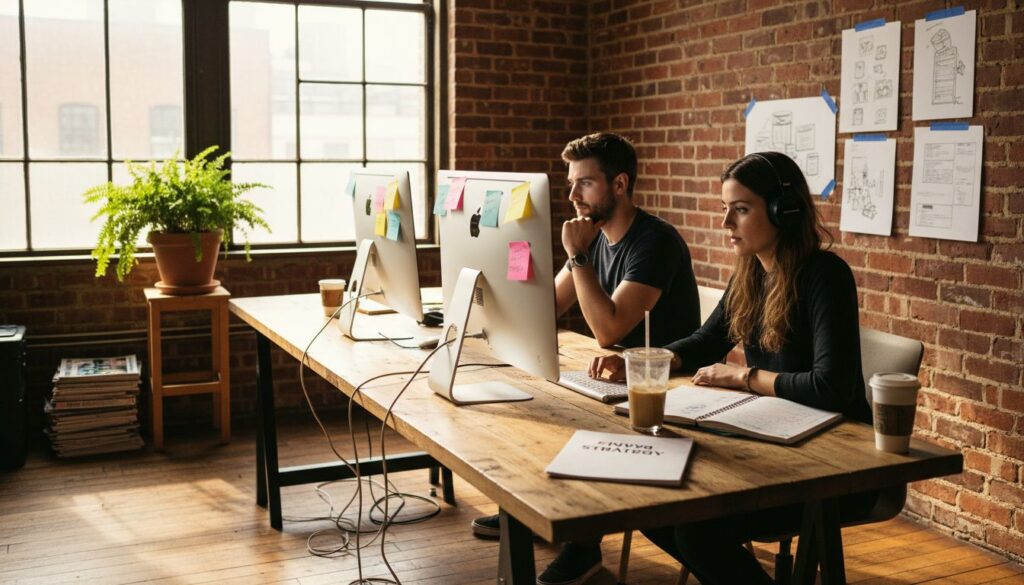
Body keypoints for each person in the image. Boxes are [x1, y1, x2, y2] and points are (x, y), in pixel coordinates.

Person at [588, 151, 873, 585]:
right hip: (777, 442)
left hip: (837, 465)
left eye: (740, 210)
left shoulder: (826, 275)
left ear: (783, 210)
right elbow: (707, 341)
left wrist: (744, 377)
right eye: (725, 209)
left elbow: (830, 387)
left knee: (696, 532)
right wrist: (644, 362)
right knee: (650, 507)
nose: (726, 223)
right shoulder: (750, 274)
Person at [471, 132, 702, 585]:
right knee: (532, 407)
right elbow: (549, 307)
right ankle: (529, 512)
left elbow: (608, 330)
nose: (573, 195)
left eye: (585, 183)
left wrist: (576, 254)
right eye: (571, 184)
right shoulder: (594, 236)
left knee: (567, 418)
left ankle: (583, 545)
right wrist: (505, 267)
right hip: (617, 381)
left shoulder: (654, 241)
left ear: (620, 184)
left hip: (667, 389)